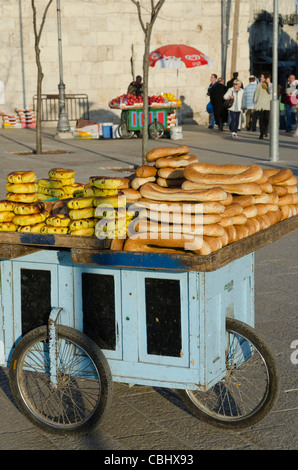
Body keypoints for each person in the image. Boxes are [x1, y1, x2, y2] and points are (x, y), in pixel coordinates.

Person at [253, 72, 272, 139]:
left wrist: (268, 83)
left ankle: (265, 130)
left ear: (266, 78)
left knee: (266, 119)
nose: (260, 78)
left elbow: (270, 91)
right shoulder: (259, 85)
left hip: (267, 105)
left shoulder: (271, 85)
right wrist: (254, 102)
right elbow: (256, 93)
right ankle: (261, 133)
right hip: (260, 105)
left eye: (262, 77)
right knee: (261, 120)